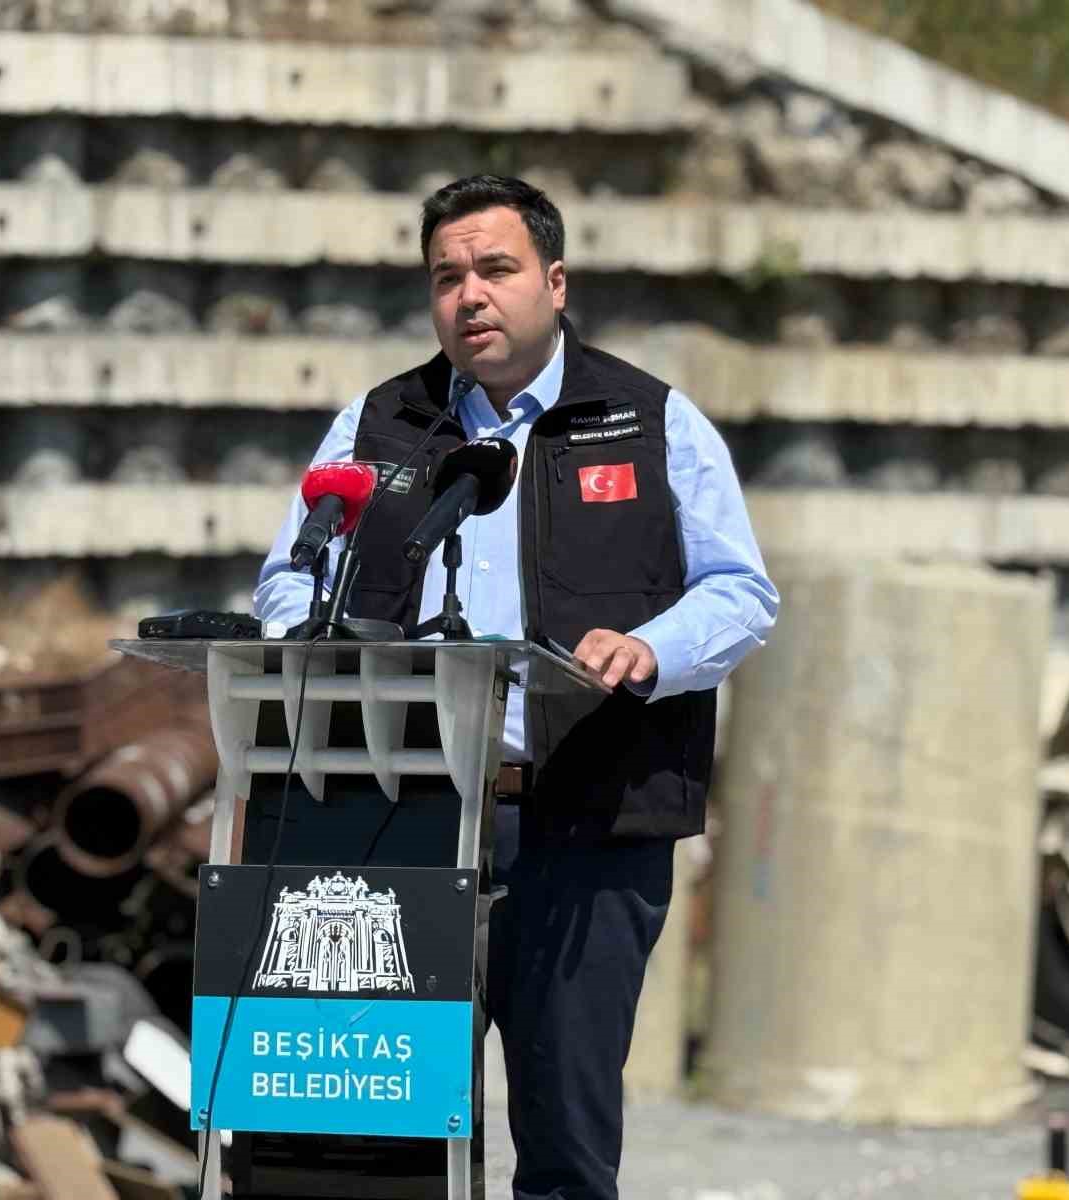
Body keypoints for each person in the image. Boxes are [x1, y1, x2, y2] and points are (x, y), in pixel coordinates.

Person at [254, 174, 777, 1200]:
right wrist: (296, 638)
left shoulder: (646, 419)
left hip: (582, 826)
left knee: (566, 1149)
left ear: (556, 281)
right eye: (446, 277)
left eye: (495, 269)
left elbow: (741, 593)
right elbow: (288, 572)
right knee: (389, 1144)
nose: (470, 296)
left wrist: (651, 650)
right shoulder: (380, 424)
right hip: (401, 823)